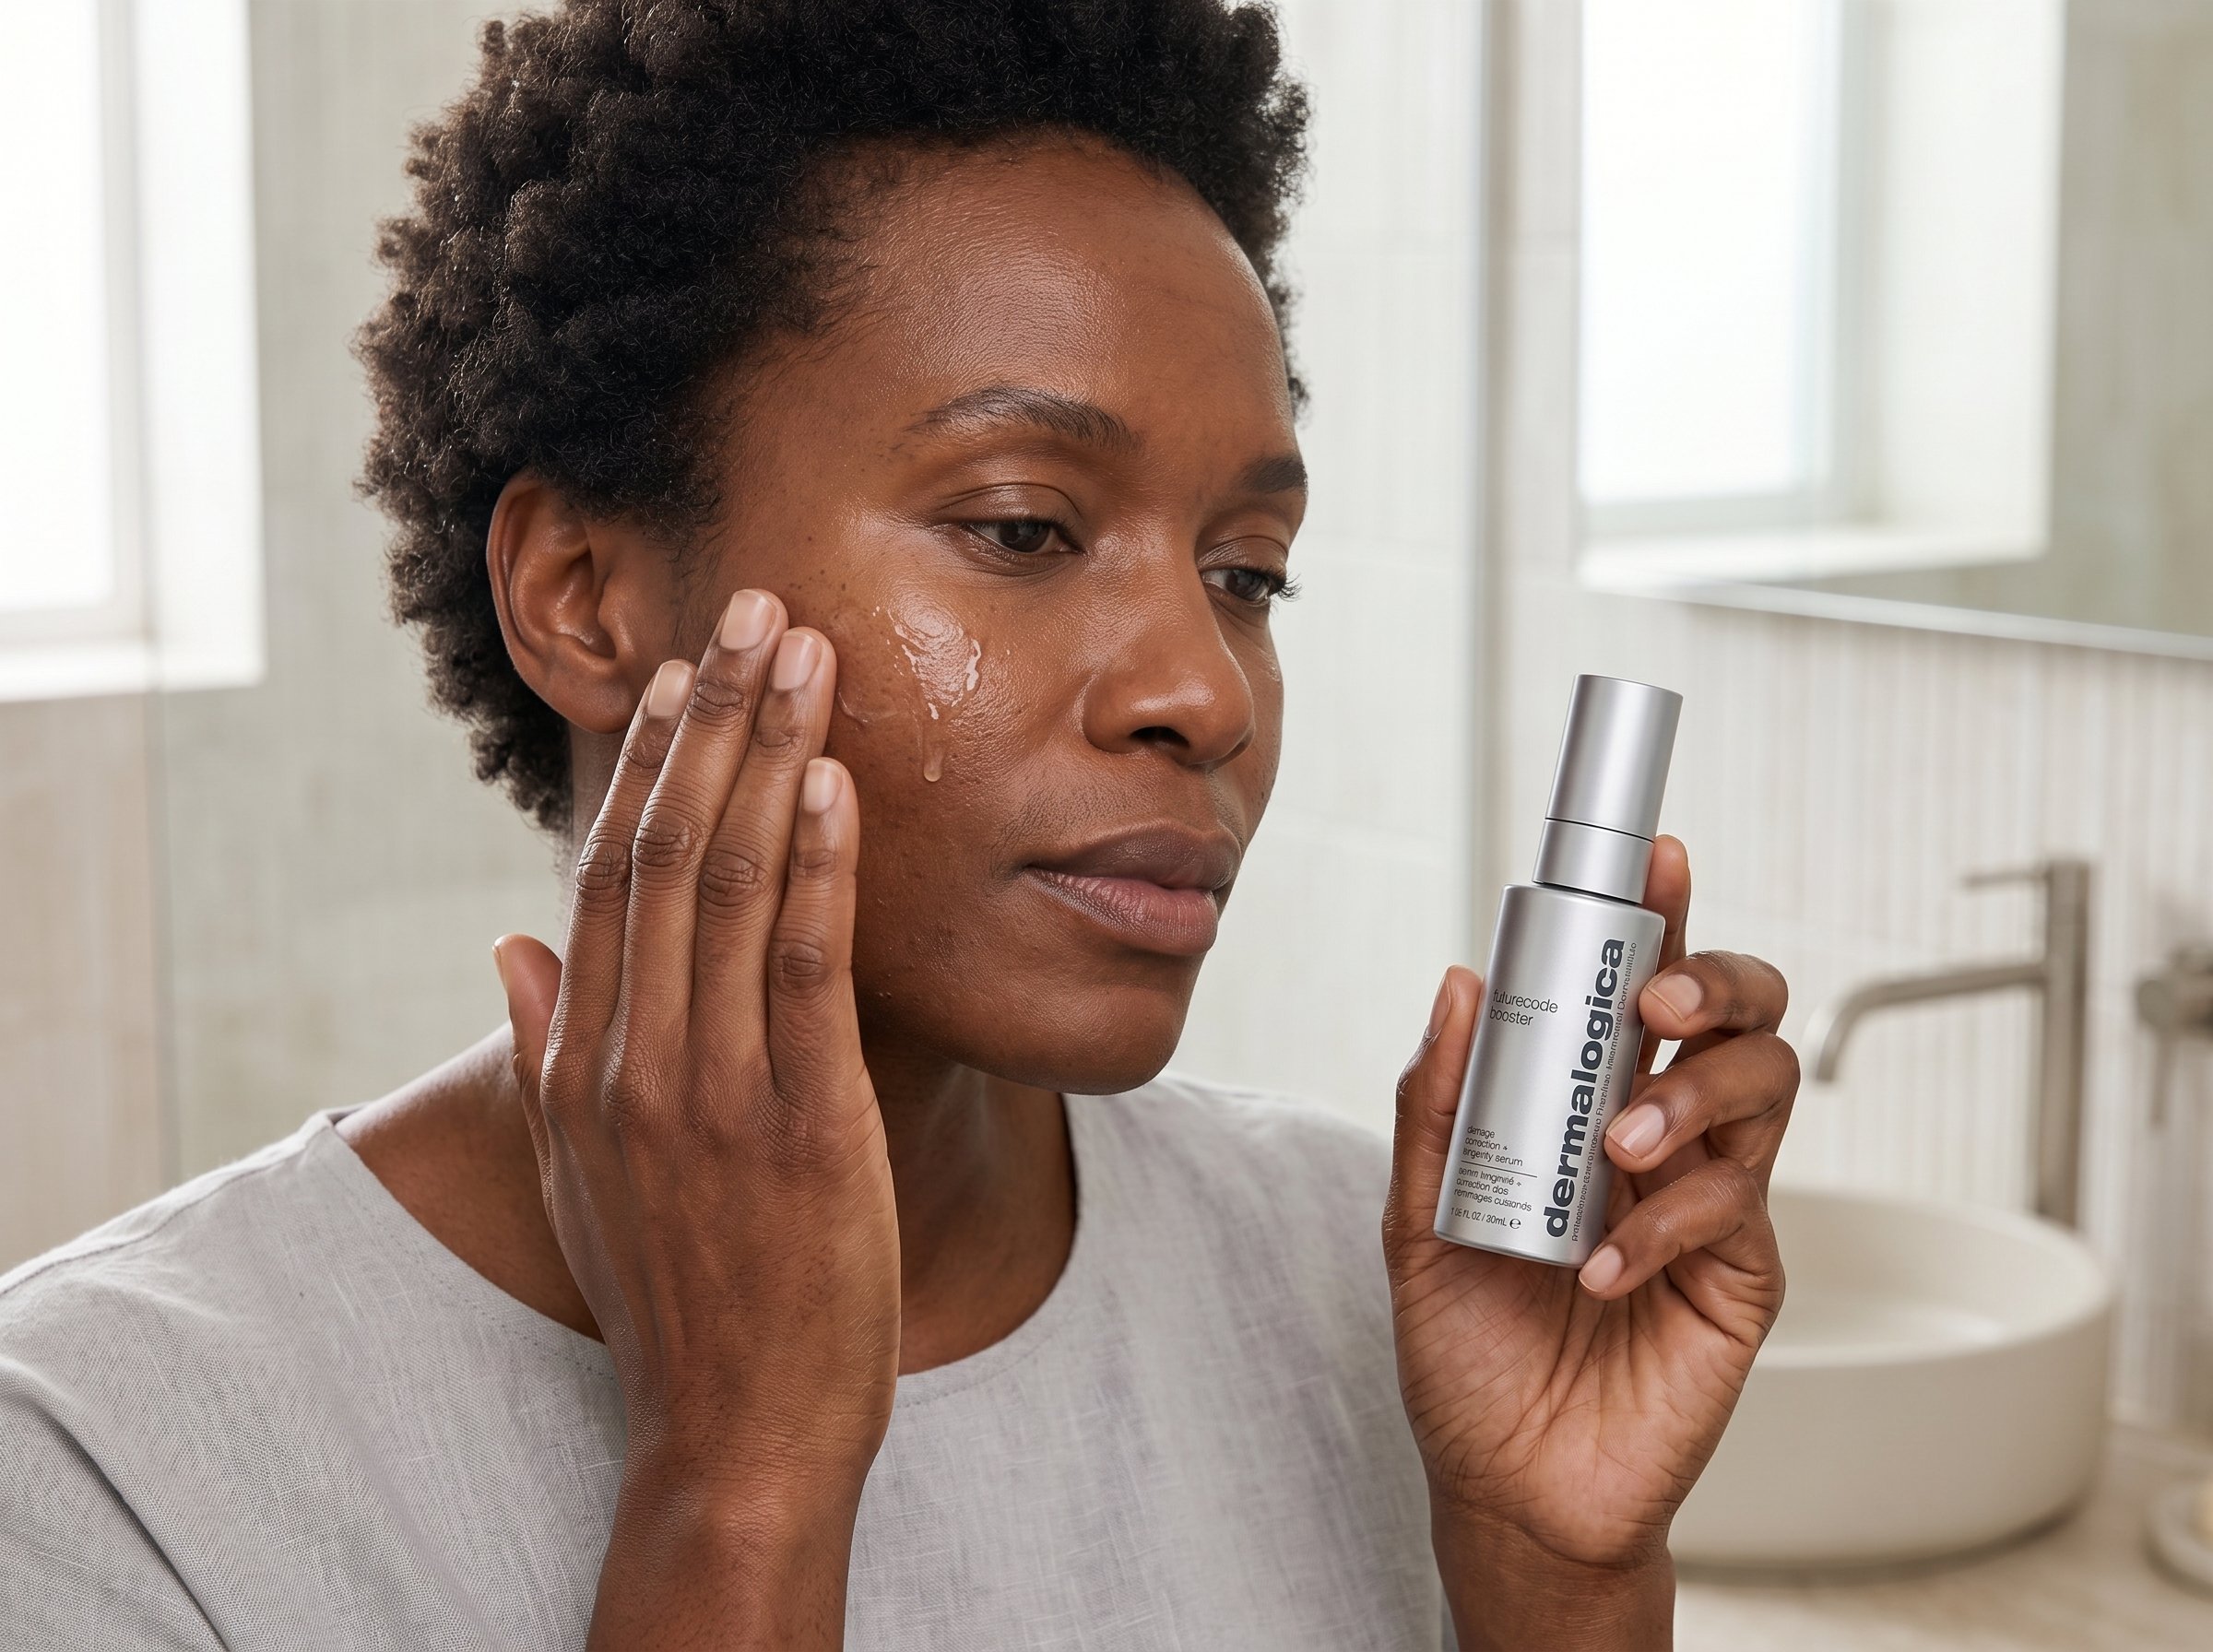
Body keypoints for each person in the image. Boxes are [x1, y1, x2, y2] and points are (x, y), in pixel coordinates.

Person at [0, 3, 1797, 1646]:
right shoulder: (107, 1460)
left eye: (1247, 571)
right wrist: (740, 1478)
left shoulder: (1360, 1283)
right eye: (1022, 526)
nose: (1208, 687)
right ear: (580, 590)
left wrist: (1555, 1573)